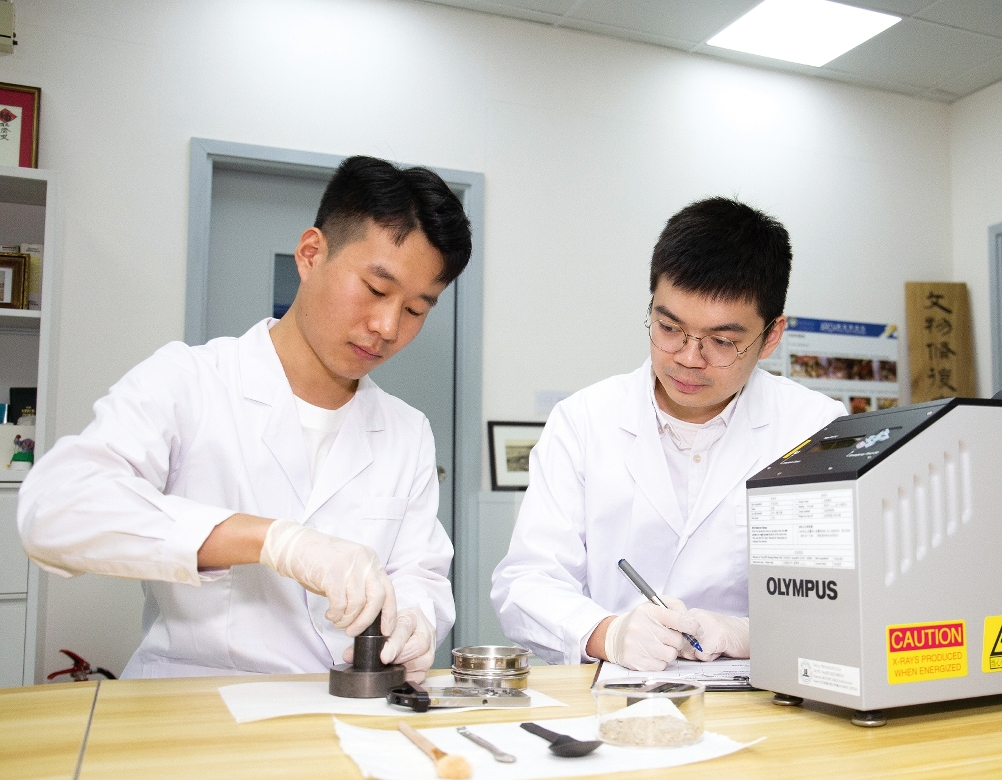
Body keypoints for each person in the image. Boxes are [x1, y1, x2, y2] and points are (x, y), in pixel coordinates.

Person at [18, 156, 471, 684]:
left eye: (416, 310)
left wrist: (416, 620)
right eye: (375, 290)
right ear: (310, 254)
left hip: (341, 705)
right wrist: (274, 541)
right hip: (193, 703)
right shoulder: (189, 381)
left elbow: (419, 573)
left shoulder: (406, 431)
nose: (388, 326)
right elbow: (55, 512)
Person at [491, 197, 846, 669]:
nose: (688, 358)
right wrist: (606, 633)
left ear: (771, 336)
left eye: (722, 341)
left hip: (762, 692)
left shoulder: (815, 428)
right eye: (669, 327)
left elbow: (843, 596)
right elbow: (526, 583)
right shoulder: (584, 421)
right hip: (610, 690)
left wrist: (747, 632)